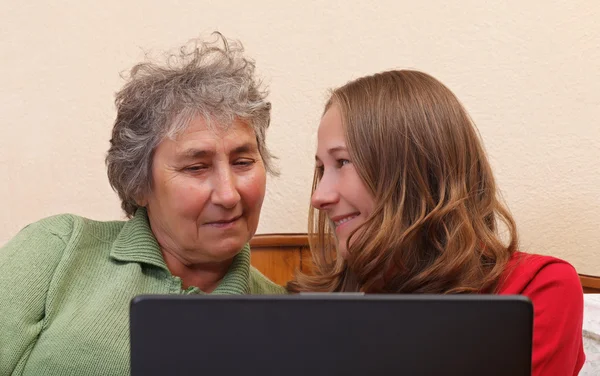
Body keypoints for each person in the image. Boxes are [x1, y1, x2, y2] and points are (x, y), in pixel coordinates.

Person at [0, 33, 285, 376]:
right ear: (139, 185)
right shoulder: (59, 249)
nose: (228, 194)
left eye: (243, 162)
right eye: (196, 167)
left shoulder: (285, 316)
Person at [287, 70, 585, 375]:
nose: (319, 196)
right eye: (322, 169)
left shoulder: (537, 289)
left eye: (343, 162)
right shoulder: (321, 310)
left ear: (412, 170)